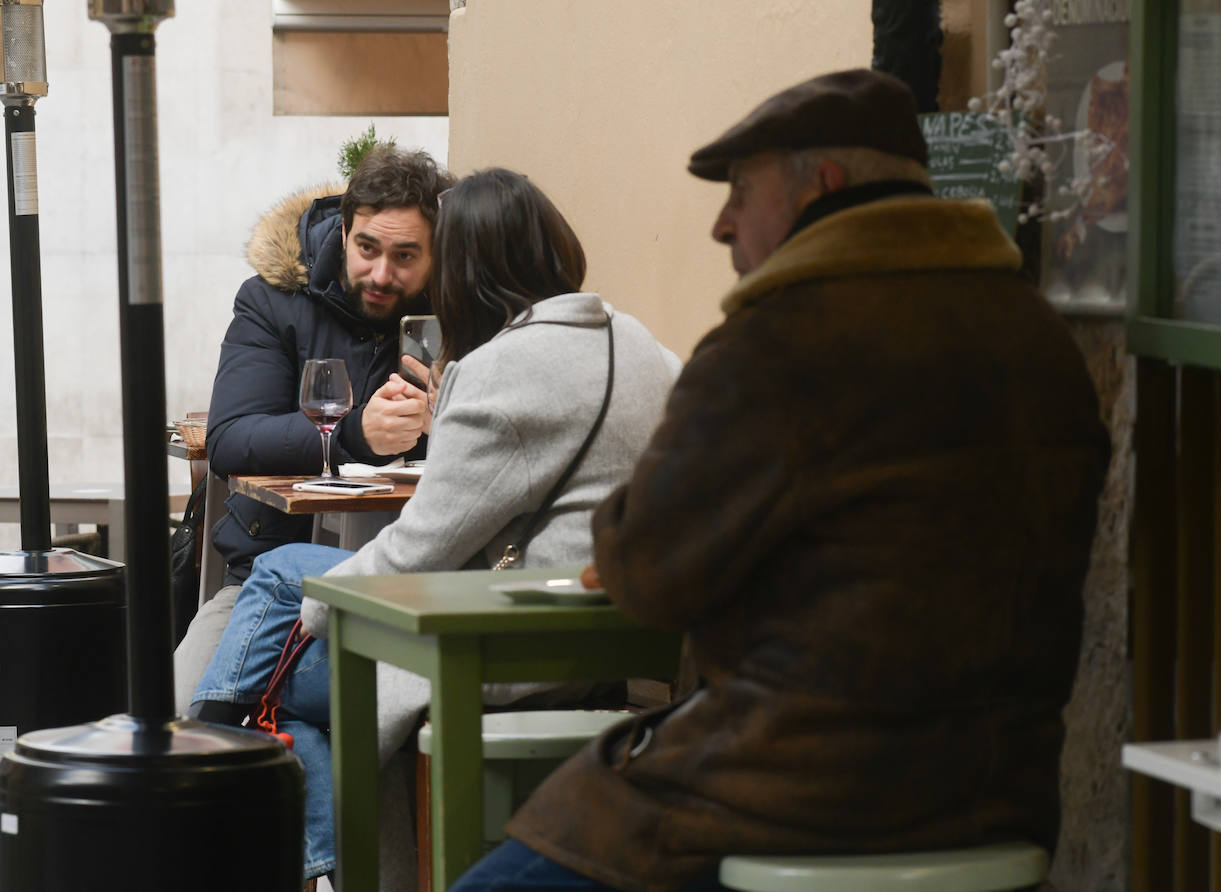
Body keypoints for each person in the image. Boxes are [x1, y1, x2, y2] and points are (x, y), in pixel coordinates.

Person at [452, 69, 1111, 892]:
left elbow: (645, 574)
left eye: (740, 192)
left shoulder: (777, 342)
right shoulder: (1041, 339)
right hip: (997, 798)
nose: (723, 224)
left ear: (822, 187)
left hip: (794, 794)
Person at [190, 167, 682, 884]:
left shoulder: (506, 368)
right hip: (612, 624)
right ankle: (290, 824)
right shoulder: (642, 343)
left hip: (510, 640)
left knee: (272, 657)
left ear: (465, 272)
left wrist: (320, 614)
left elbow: (418, 552)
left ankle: (277, 819)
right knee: (278, 581)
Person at [206, 146, 454, 586]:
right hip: (272, 574)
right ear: (343, 233)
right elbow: (230, 439)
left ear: (435, 255)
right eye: (367, 248)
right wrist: (355, 434)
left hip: (417, 576)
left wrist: (448, 423)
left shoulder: (458, 312)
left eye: (405, 256)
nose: (380, 273)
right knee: (192, 660)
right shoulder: (273, 300)